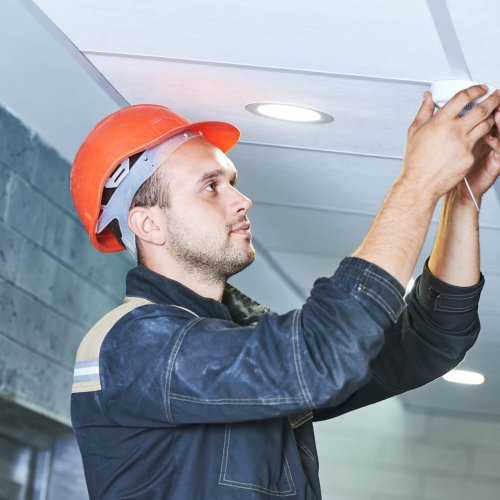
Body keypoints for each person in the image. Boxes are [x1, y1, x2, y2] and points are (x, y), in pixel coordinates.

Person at [70, 86, 500, 499]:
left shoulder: (239, 341)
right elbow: (320, 356)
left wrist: (461, 199)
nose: (242, 200)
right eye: (210, 186)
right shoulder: (133, 346)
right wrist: (417, 183)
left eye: (231, 181)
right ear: (150, 224)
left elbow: (429, 341)